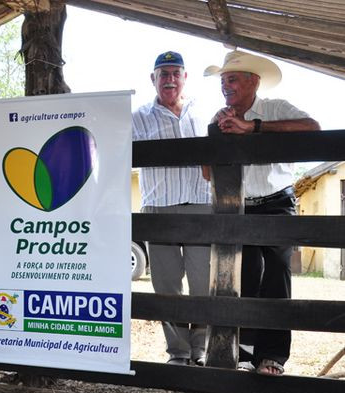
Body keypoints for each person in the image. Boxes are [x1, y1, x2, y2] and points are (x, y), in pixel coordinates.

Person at [204, 50, 320, 376]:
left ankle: (272, 357)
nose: (226, 86)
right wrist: (215, 133)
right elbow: (207, 175)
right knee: (243, 277)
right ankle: (242, 353)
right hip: (239, 205)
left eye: (233, 79)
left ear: (254, 81)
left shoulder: (275, 108)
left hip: (277, 201)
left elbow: (313, 127)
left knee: (278, 273)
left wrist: (252, 127)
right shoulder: (219, 117)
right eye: (223, 81)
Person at [132, 51, 212, 366]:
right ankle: (178, 352)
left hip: (200, 205)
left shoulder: (203, 113)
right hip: (159, 208)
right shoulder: (137, 117)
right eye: (163, 74)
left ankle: (201, 350)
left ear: (185, 78)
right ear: (153, 79)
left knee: (202, 283)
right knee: (166, 284)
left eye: (175, 73)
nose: (170, 79)